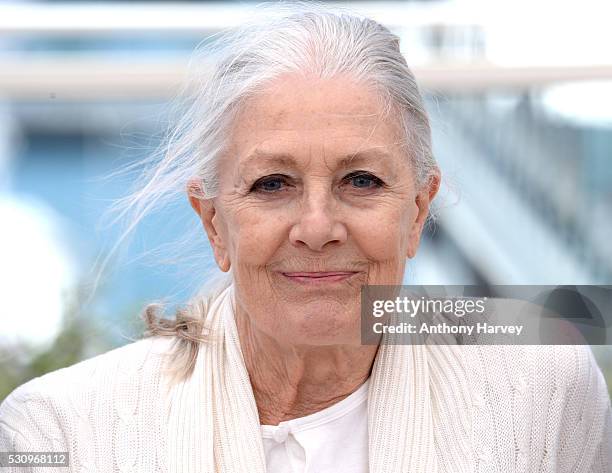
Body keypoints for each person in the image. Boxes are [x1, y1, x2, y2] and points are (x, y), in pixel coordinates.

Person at [1, 3, 610, 472]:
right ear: (214, 221)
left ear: (419, 210)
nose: (318, 228)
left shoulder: (541, 382)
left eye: (361, 180)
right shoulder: (65, 431)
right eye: (272, 184)